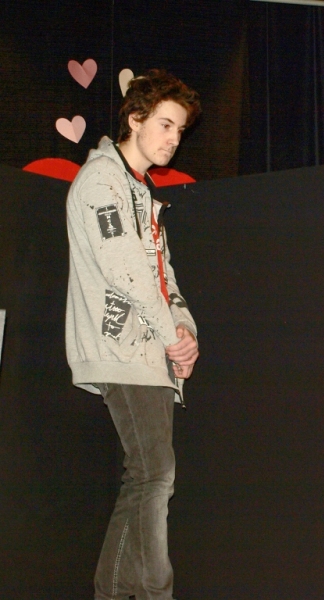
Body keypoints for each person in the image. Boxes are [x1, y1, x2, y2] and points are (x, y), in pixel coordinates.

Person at [66, 69, 202, 600]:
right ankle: (151, 592)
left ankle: (116, 591)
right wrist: (170, 337)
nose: (173, 139)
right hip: (122, 348)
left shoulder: (142, 192)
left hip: (150, 351)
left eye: (180, 130)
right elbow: (125, 271)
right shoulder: (101, 180)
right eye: (165, 125)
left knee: (150, 476)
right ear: (135, 118)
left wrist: (185, 330)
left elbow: (163, 274)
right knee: (153, 474)